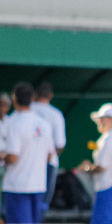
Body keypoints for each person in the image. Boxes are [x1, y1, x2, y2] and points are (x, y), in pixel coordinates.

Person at [1, 83, 55, 224]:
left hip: (18, 184)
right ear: (32, 99)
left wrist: (1, 156)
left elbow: (13, 157)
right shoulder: (43, 124)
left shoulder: (15, 124)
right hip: (38, 183)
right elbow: (50, 154)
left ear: (14, 100)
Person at [31, 82, 67, 210]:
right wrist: (49, 157)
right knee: (41, 204)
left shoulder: (27, 111)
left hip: (27, 162)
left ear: (35, 95)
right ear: (51, 96)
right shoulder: (56, 114)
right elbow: (60, 144)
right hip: (47, 163)